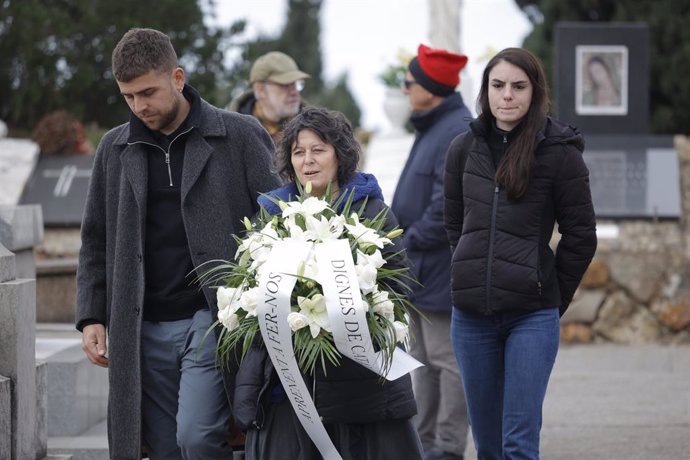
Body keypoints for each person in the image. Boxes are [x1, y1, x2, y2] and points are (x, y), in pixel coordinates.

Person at [75, 28, 281, 459]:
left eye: (148, 92)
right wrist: (91, 315)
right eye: (128, 97)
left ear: (178, 78)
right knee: (165, 448)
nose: (139, 106)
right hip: (139, 325)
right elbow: (95, 239)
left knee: (198, 437)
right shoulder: (114, 148)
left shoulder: (240, 135)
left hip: (211, 318)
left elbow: (277, 223)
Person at [232, 106, 424, 460]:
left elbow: (401, 284)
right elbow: (251, 287)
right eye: (298, 152)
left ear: (340, 155)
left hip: (361, 386)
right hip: (288, 386)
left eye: (318, 150)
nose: (308, 161)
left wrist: (355, 308)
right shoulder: (273, 215)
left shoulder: (372, 212)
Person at [443, 47, 597, 459]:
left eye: (518, 86)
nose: (507, 95)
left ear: (534, 92)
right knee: (488, 445)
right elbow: (455, 225)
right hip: (471, 318)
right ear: (485, 90)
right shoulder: (462, 148)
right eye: (498, 85)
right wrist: (469, 271)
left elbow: (581, 236)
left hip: (532, 315)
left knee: (518, 444)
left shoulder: (560, 154)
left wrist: (551, 296)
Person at [390, 43, 471, 460]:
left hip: (441, 268)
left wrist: (405, 240)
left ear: (431, 87)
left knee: (447, 360)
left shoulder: (455, 128)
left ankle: (448, 446)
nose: (404, 88)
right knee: (422, 359)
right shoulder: (434, 124)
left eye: (409, 81)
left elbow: (445, 206)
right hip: (421, 267)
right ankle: (424, 443)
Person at [227, 51, 310, 145]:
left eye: (296, 84)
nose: (295, 92)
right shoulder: (231, 132)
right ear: (260, 90)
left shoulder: (314, 128)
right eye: (285, 85)